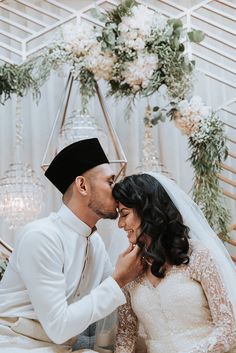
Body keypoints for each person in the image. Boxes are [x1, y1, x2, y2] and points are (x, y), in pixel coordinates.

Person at [0, 138, 143, 353]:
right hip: (17, 345)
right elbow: (59, 328)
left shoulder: (95, 243)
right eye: (110, 182)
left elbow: (122, 296)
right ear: (82, 186)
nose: (117, 191)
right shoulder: (41, 237)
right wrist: (119, 279)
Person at [112, 172, 236, 353]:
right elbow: (125, 336)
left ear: (148, 212)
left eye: (124, 214)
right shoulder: (128, 267)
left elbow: (228, 327)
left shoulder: (197, 255)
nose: (120, 224)